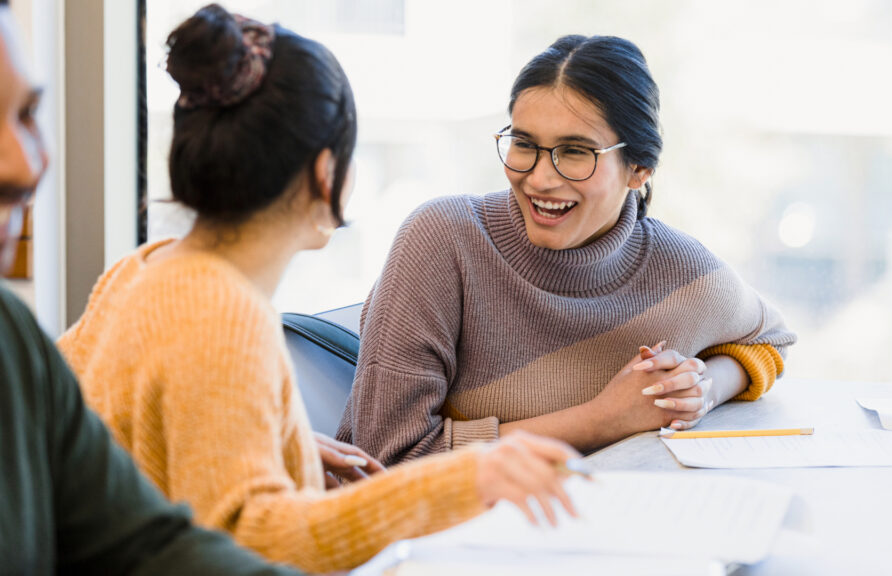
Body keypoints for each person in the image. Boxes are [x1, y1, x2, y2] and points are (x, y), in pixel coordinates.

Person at [57, 5, 579, 574]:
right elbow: (254, 544)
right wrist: (465, 478)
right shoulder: (225, 313)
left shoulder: (143, 269)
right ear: (326, 171)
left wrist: (282, 440)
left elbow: (113, 433)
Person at [338, 34, 798, 466]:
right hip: (439, 538)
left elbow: (769, 339)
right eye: (524, 144)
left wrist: (702, 388)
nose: (539, 179)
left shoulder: (679, 270)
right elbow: (388, 458)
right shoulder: (443, 241)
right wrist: (601, 420)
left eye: (575, 152)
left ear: (639, 168)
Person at [0, 4, 303, 574]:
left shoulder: (11, 342)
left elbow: (147, 544)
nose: (26, 163)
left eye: (29, 114)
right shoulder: (214, 304)